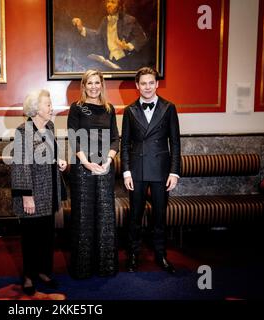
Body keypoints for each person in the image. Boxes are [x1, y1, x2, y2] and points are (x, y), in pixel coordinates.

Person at [120, 66, 181, 274]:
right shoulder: (129, 110)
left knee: (160, 216)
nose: (147, 87)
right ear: (137, 86)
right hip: (136, 171)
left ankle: (161, 255)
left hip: (161, 172)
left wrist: (174, 172)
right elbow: (125, 144)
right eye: (143, 83)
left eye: (150, 82)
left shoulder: (169, 107)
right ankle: (133, 255)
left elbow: (175, 142)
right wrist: (126, 171)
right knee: (135, 216)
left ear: (156, 84)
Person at [11, 89, 67, 295]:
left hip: (50, 192)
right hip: (32, 195)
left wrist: (58, 161)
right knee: (30, 238)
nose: (51, 108)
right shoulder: (22, 132)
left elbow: (50, 153)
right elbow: (20, 166)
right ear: (35, 109)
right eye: (48, 104)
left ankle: (44, 271)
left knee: (46, 236)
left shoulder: (49, 126)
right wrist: (27, 196)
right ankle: (28, 275)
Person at [67, 69, 119, 279]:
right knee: (83, 216)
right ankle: (82, 269)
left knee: (105, 217)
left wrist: (107, 161)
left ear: (102, 85)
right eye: (90, 83)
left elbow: (115, 137)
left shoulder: (109, 108)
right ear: (84, 86)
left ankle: (105, 267)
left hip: (105, 168)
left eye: (97, 83)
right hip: (82, 168)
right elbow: (73, 137)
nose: (94, 87)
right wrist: (87, 163)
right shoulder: (77, 108)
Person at [72, 0, 148, 70]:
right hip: (109, 62)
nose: (109, 5)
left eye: (113, 2)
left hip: (127, 62)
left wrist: (128, 46)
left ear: (120, 6)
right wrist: (81, 28)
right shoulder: (105, 20)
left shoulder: (130, 20)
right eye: (108, 1)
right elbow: (97, 36)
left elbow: (142, 38)